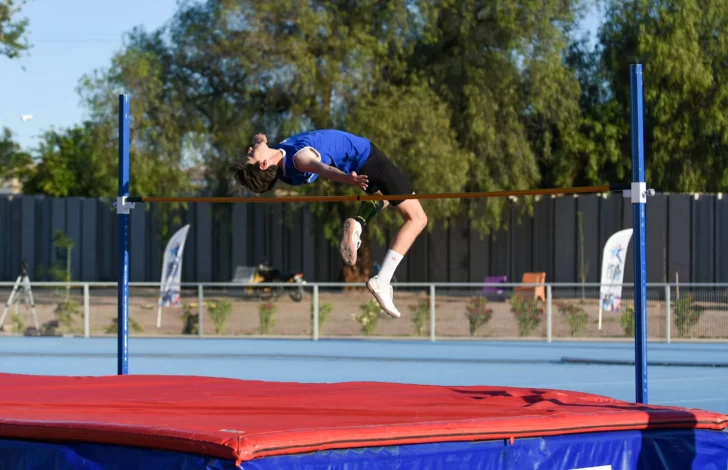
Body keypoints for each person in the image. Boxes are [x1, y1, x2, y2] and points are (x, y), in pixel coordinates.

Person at [230, 129, 427, 318]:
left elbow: (259, 140)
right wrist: (348, 179)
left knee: (383, 197)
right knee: (417, 218)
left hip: (357, 162)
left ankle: (357, 224)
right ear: (264, 164)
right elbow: (322, 168)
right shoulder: (300, 159)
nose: (249, 150)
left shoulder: (275, 160)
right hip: (366, 156)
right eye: (251, 156)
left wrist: (259, 140)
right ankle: (382, 281)